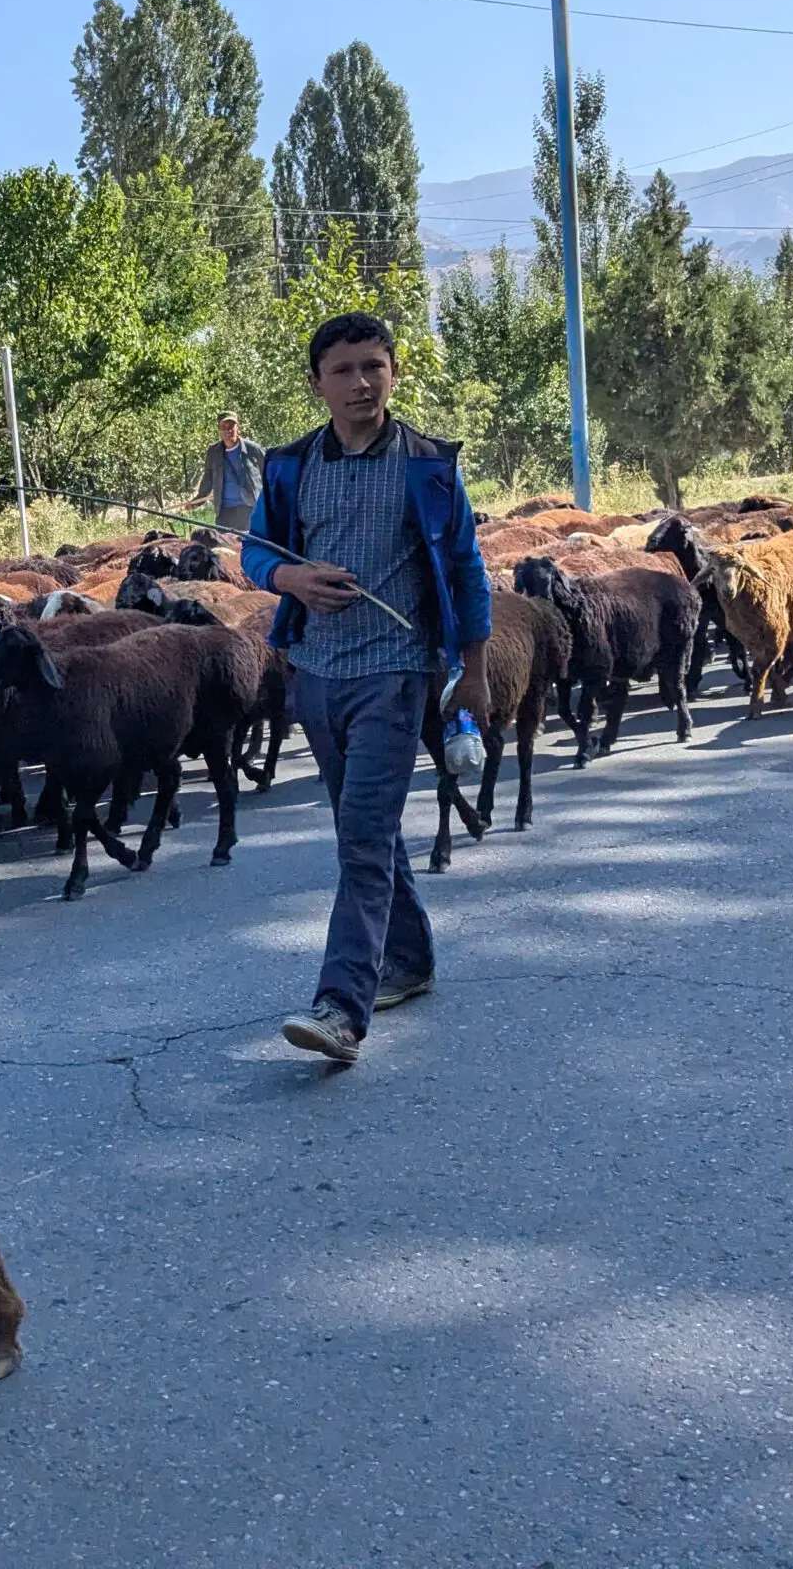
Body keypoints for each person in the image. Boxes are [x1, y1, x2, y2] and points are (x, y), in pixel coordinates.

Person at [239, 313, 492, 1066]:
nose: (361, 383)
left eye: (374, 367)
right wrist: (290, 577)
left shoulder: (429, 467)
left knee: (361, 838)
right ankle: (408, 962)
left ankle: (342, 1008)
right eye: (344, 370)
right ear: (317, 383)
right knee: (369, 831)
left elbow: (468, 572)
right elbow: (255, 553)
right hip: (316, 676)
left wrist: (472, 669)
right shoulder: (289, 468)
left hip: (396, 675)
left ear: (394, 372)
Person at [193, 411, 265, 535]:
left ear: (238, 427)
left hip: (249, 509)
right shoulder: (213, 452)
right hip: (224, 511)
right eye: (224, 427)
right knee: (224, 547)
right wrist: (197, 501)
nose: (228, 430)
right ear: (219, 430)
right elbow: (208, 479)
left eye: (231, 426)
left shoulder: (253, 449)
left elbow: (269, 474)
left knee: (248, 546)